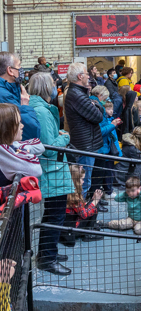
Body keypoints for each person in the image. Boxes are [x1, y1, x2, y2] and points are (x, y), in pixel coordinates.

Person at [28, 74, 73, 276]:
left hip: (51, 169)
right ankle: (47, 258)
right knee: (55, 216)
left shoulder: (40, 108)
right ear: (47, 88)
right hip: (52, 169)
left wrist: (58, 136)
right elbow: (49, 148)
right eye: (54, 85)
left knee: (52, 215)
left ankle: (48, 253)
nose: (56, 88)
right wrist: (65, 137)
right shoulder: (42, 112)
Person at [64, 63, 104, 193]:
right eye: (86, 74)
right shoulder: (78, 95)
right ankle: (80, 205)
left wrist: (95, 104)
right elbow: (98, 116)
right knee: (83, 183)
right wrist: (97, 105)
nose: (88, 76)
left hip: (85, 142)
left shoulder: (78, 92)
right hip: (85, 145)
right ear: (80, 76)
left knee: (84, 181)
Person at [88, 85, 122, 208]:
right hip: (100, 147)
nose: (106, 100)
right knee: (97, 176)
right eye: (105, 97)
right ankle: (94, 202)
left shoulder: (94, 105)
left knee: (98, 175)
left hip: (101, 146)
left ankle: (96, 199)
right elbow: (100, 131)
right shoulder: (97, 108)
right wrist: (112, 125)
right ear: (100, 95)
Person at [0, 52, 40, 141]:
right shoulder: (4, 96)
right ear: (10, 70)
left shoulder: (10, 89)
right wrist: (25, 106)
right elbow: (31, 132)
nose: (21, 69)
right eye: (19, 66)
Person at [60, 164, 104, 246]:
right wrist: (95, 201)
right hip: (72, 228)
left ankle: (90, 229)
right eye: (82, 179)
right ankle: (88, 233)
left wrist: (91, 201)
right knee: (94, 207)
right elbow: (84, 214)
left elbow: (79, 208)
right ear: (76, 180)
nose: (83, 181)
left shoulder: (68, 191)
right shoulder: (74, 196)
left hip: (66, 224)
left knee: (91, 204)